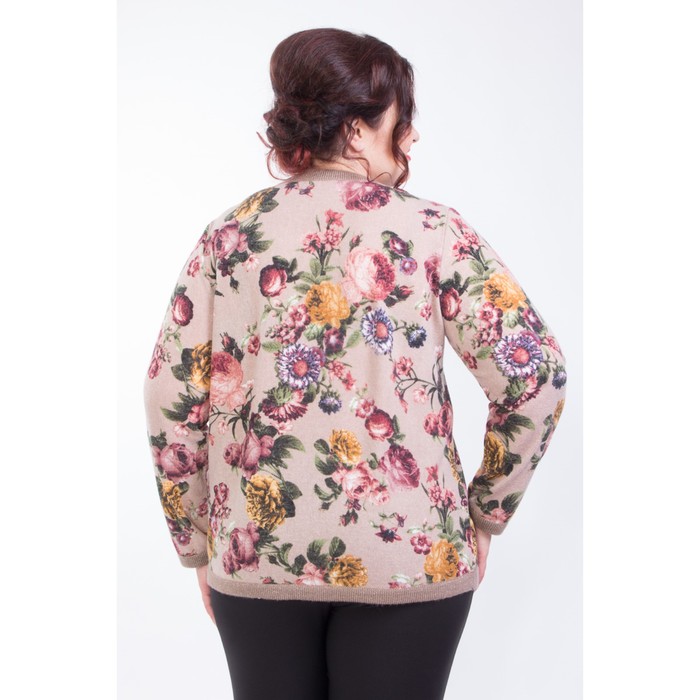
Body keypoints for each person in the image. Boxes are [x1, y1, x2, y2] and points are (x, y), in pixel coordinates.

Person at [142, 27, 568, 700]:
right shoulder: (433, 231)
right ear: (359, 129)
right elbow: (535, 374)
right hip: (414, 553)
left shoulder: (227, 238)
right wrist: (486, 511)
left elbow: (170, 396)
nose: (413, 136)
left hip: (256, 553)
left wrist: (196, 540)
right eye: (403, 117)